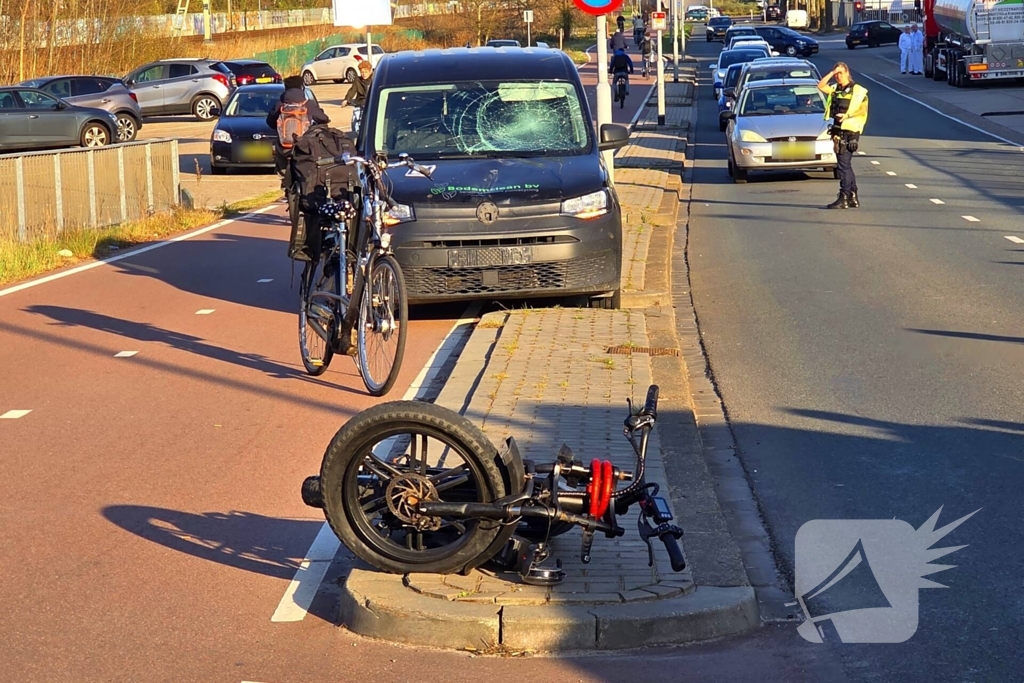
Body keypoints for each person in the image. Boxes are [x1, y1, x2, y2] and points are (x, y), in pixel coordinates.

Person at [817, 62, 868, 209]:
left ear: (847, 73)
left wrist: (847, 115)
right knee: (846, 165)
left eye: (841, 73)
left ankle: (844, 197)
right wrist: (832, 73)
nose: (839, 76)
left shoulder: (857, 91)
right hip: (838, 131)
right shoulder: (835, 89)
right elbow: (820, 86)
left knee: (843, 165)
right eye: (837, 74)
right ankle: (853, 196)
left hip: (851, 131)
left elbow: (863, 110)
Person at [267, 75, 330, 191]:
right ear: (302, 88)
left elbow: (270, 121)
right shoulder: (308, 104)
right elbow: (324, 119)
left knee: (279, 152)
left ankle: (283, 180)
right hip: (304, 145)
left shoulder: (280, 104)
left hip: (285, 146)